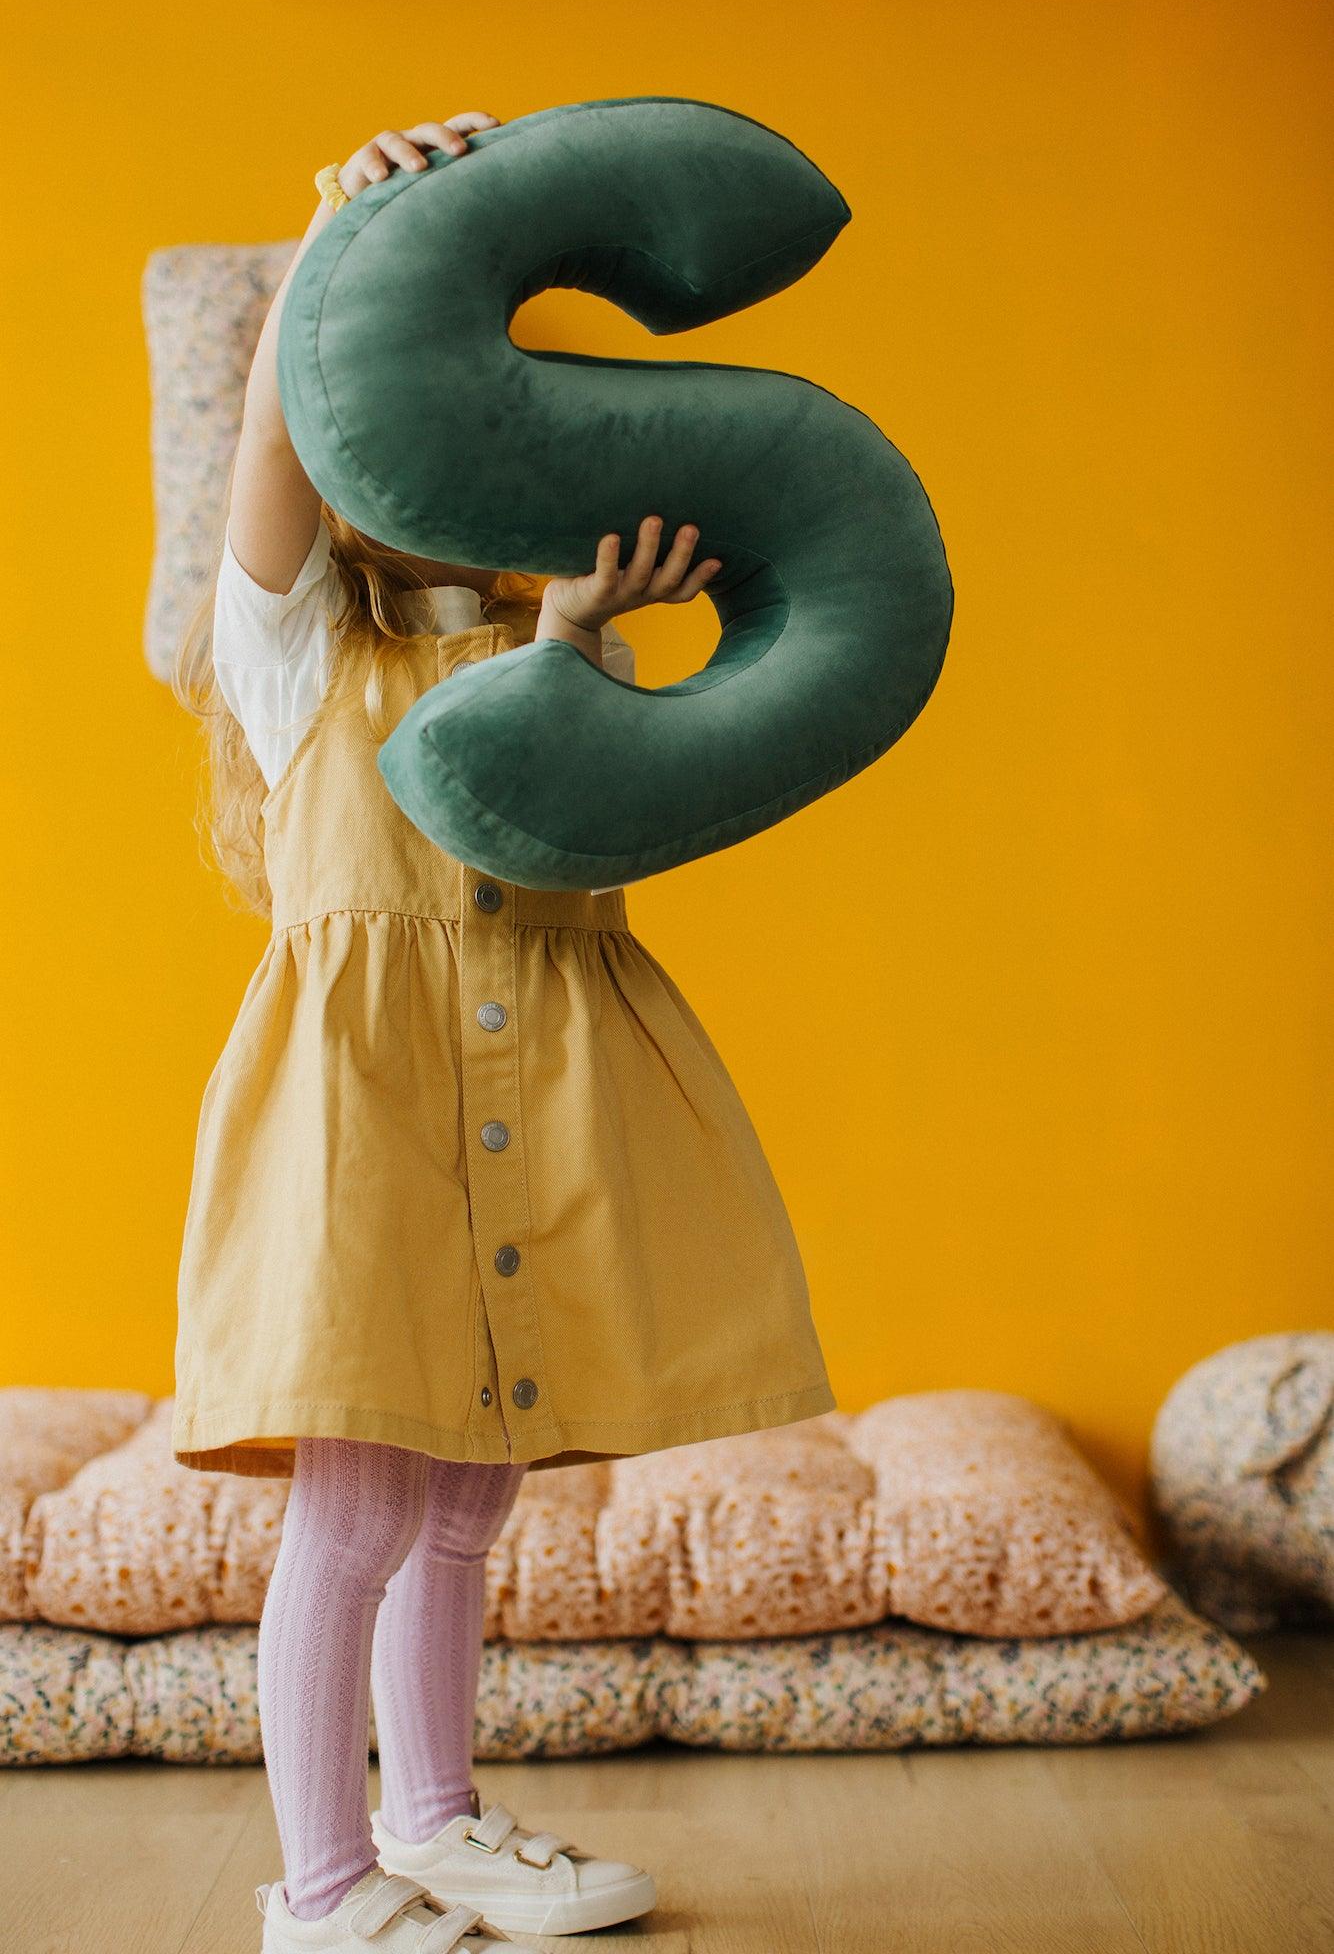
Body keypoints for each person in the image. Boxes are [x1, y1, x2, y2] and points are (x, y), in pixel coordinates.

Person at [172, 112, 837, 1954]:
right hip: (371, 1120)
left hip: (527, 1098)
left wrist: (577, 637)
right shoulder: (296, 649)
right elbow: (269, 451)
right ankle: (320, 1885)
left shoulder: (561, 633)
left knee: (466, 1506)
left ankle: (438, 1819)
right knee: (366, 1501)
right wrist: (339, 231)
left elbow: (583, 802)